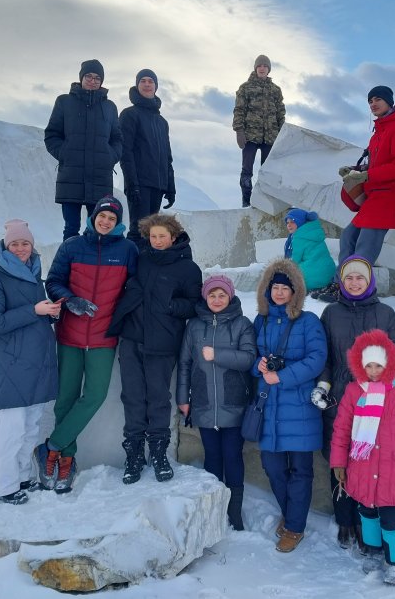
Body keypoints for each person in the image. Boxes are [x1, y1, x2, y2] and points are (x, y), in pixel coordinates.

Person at [312, 255, 395, 551]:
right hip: (342, 399)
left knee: (373, 460)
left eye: (360, 278)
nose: (354, 283)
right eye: (349, 279)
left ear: (368, 281)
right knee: (340, 457)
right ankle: (345, 519)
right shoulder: (330, 313)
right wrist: (323, 383)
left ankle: (372, 521)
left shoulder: (384, 312)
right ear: (342, 283)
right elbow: (327, 357)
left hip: (378, 401)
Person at [38, 197, 138, 493]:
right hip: (69, 332)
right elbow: (53, 281)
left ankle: (51, 446)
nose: (105, 222)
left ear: (118, 222)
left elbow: (134, 288)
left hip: (104, 336)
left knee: (94, 394)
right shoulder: (72, 246)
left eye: (111, 218)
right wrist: (71, 300)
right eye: (102, 216)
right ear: (93, 216)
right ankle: (66, 459)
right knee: (66, 398)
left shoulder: (127, 250)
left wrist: (119, 315)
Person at [330, 329, 395, 586]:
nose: (374, 371)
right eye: (369, 365)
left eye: (378, 365)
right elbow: (342, 429)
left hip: (394, 469)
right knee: (368, 514)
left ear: (389, 365)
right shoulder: (354, 392)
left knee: (394, 519)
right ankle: (374, 551)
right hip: (362, 466)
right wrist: (339, 462)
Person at [107, 213, 202, 484]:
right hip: (132, 339)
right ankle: (134, 452)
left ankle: (159, 452)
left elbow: (195, 303)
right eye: (153, 236)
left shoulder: (188, 268)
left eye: (162, 236)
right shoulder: (142, 260)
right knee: (133, 396)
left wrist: (171, 307)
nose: (157, 241)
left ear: (173, 237)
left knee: (159, 397)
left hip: (163, 343)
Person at [312, 85, 395, 302]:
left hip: (390, 198)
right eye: (370, 101)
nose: (373, 104)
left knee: (365, 245)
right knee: (348, 236)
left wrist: (367, 177)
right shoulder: (379, 132)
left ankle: (353, 289)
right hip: (375, 197)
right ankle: (339, 283)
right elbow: (374, 164)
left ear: (389, 101)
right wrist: (356, 171)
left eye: (378, 99)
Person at [0, 220, 60, 504]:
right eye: (14, 244)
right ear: (5, 246)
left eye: (25, 243)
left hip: (36, 362)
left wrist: (49, 313)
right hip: (12, 365)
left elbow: (34, 315)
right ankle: (2, 487)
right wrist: (34, 309)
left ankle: (22, 477)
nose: (20, 249)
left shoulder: (32, 272)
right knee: (11, 432)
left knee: (30, 428)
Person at [251, 259, 327, 553]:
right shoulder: (262, 320)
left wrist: (280, 376)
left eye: (285, 288)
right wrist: (258, 367)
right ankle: (291, 514)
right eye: (275, 288)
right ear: (267, 291)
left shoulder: (308, 322)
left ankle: (295, 527)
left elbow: (316, 359)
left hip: (298, 406)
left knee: (300, 469)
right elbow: (252, 356)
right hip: (269, 406)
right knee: (272, 466)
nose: (280, 293)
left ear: (295, 292)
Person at [176, 274, 256, 530]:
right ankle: (214, 511)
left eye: (222, 295)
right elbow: (185, 363)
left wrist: (217, 355)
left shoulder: (242, 324)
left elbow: (248, 359)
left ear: (230, 296)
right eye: (212, 295)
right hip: (203, 402)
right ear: (205, 297)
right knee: (211, 457)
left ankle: (235, 512)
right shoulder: (194, 326)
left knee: (232, 456)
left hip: (234, 402)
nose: (217, 299)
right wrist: (182, 398)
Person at [45, 59, 123, 241]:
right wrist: (65, 154)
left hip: (100, 177)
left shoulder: (109, 107)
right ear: (81, 77)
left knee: (97, 229)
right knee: (71, 228)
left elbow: (117, 138)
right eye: (89, 76)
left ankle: (94, 268)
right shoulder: (64, 102)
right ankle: (68, 268)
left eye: (97, 78)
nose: (93, 81)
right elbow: (52, 134)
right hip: (71, 175)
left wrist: (110, 157)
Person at [119, 68, 175, 248]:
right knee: (138, 231)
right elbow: (125, 152)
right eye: (143, 81)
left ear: (156, 87)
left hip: (158, 185)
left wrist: (170, 186)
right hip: (140, 183)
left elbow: (167, 156)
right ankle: (130, 272)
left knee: (153, 232)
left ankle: (147, 272)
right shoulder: (129, 115)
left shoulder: (161, 122)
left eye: (150, 81)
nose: (147, 84)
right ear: (137, 85)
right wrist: (132, 184)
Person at [232, 54, 285, 207]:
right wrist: (239, 131)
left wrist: (282, 134)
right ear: (255, 68)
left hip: (270, 137)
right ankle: (246, 202)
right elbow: (239, 110)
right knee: (247, 171)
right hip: (250, 136)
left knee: (267, 172)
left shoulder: (275, 90)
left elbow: (280, 113)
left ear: (268, 69)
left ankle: (263, 203)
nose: (262, 68)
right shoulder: (245, 87)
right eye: (259, 66)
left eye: (265, 66)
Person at [283, 208, 336, 292]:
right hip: (330, 274)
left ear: (300, 222)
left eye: (292, 222)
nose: (289, 225)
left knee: (290, 273)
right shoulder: (315, 232)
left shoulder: (298, 238)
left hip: (313, 278)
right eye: (287, 222)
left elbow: (295, 260)